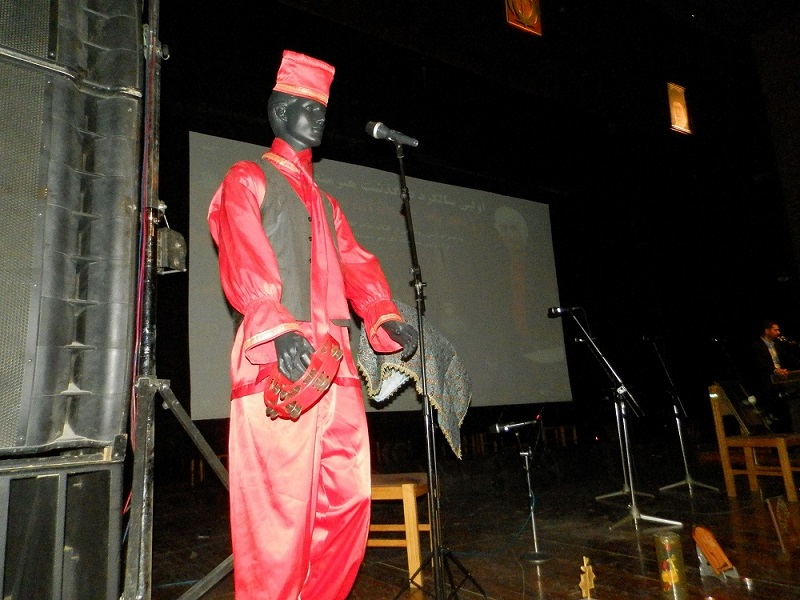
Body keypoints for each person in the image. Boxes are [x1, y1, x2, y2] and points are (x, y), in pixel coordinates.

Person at [208, 50, 418, 600]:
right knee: (278, 515)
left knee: (346, 502)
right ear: (280, 113)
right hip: (280, 359)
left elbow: (356, 263)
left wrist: (383, 314)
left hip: (336, 365)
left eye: (323, 109)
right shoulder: (247, 177)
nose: (319, 118)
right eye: (309, 108)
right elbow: (243, 252)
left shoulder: (326, 202)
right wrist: (276, 328)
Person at [749, 319, 800, 432]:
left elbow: (788, 357)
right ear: (767, 331)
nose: (778, 332)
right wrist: (775, 370)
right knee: (775, 408)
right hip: (766, 381)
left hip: (780, 379)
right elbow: (759, 363)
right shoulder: (757, 345)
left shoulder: (777, 345)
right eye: (775, 330)